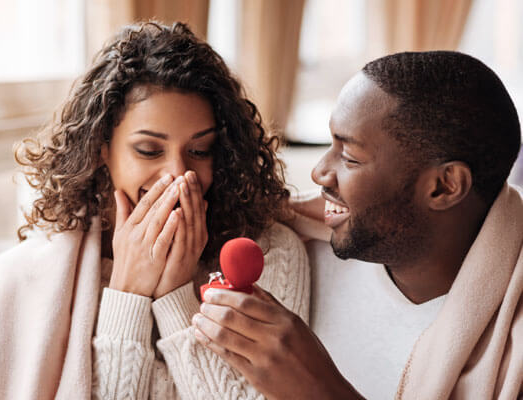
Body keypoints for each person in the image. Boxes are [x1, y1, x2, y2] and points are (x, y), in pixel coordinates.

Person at [0, 21, 310, 400]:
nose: (178, 175)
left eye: (200, 151)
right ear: (103, 150)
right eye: (149, 150)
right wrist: (127, 294)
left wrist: (176, 293)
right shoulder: (28, 277)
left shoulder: (268, 254)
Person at [193, 51, 523, 399]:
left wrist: (322, 391)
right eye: (330, 143)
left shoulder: (512, 344)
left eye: (349, 157)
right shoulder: (293, 252)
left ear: (444, 186)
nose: (319, 172)